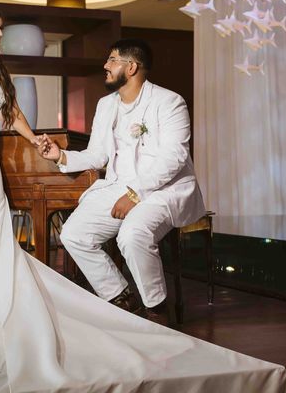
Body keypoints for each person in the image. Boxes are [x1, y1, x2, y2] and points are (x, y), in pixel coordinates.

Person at [0, 7, 286, 393]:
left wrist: (37, 140)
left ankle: (147, 309)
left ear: (130, 66)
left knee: (0, 228)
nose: (0, 33)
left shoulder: (164, 102)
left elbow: (9, 111)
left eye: (1, 28)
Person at [39, 39, 204, 323]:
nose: (105, 65)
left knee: (132, 234)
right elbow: (97, 154)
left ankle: (157, 310)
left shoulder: (169, 102)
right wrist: (60, 156)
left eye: (112, 60)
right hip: (118, 186)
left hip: (163, 190)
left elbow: (174, 158)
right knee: (73, 234)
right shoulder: (106, 105)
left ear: (131, 67)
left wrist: (135, 194)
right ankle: (122, 300)